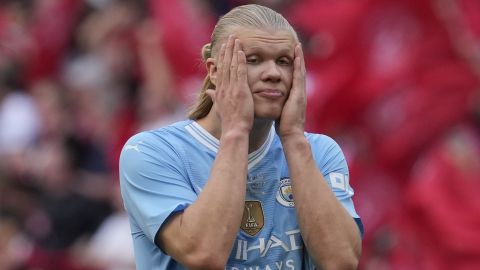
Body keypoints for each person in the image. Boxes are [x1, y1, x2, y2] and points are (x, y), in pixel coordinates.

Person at [119, 4, 363, 269]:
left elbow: (341, 261)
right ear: (214, 71)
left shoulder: (319, 152)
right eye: (253, 59)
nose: (273, 73)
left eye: (283, 61)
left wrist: (293, 137)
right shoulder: (152, 152)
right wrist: (236, 131)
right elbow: (204, 253)